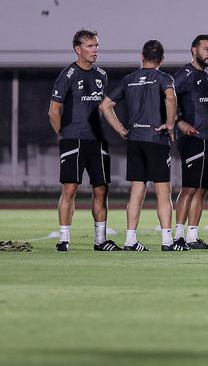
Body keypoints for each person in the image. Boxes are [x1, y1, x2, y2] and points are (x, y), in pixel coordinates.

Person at [100, 40, 182, 251]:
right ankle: (167, 241)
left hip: (135, 139)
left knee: (137, 190)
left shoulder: (129, 79)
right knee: (163, 191)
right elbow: (171, 97)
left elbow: (105, 105)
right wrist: (171, 125)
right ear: (162, 59)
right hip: (156, 139)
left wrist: (121, 130)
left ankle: (130, 241)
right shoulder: (164, 78)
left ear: (141, 56)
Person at [48, 29, 119, 252]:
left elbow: (104, 108)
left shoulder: (102, 76)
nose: (95, 50)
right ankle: (64, 239)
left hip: (97, 142)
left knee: (101, 189)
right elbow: (53, 111)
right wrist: (64, 135)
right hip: (73, 140)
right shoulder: (68, 74)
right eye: (90, 46)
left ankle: (101, 240)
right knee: (70, 189)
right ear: (78, 49)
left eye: (96, 45)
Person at [173, 34, 208, 250]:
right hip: (193, 139)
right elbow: (166, 99)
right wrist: (179, 122)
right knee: (189, 188)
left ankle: (192, 237)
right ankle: (178, 237)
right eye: (206, 49)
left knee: (203, 189)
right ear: (194, 50)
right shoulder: (184, 75)